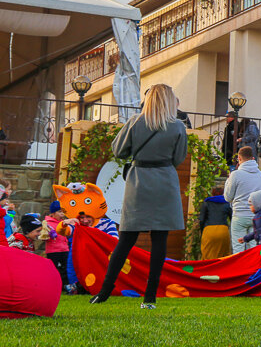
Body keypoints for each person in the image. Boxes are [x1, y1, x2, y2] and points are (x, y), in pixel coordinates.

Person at [90, 83, 188, 309]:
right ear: (170, 101)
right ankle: (150, 297)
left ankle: (103, 293)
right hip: (165, 182)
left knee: (126, 240)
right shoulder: (177, 127)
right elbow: (178, 158)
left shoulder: (135, 121)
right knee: (160, 240)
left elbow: (118, 151)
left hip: (139, 181)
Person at [224, 146, 261, 251]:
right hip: (255, 216)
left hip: (239, 215)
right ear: (253, 158)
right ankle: (254, 267)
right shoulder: (260, 175)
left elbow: (228, 197)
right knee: (254, 248)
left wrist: (228, 181)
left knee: (238, 248)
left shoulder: (236, 175)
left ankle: (240, 268)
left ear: (239, 158)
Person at [42, 201, 70, 289]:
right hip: (53, 251)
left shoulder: (63, 223)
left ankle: (65, 285)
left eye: (63, 212)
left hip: (65, 249)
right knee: (54, 269)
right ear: (53, 213)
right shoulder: (47, 223)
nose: (62, 214)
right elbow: (43, 237)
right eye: (59, 212)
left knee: (65, 268)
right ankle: (54, 285)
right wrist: (49, 235)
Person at [197, 188, 232, 259]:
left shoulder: (206, 203)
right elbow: (232, 218)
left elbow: (201, 219)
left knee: (207, 254)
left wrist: (202, 231)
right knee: (223, 255)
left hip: (209, 230)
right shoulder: (227, 203)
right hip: (223, 230)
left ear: (212, 194)